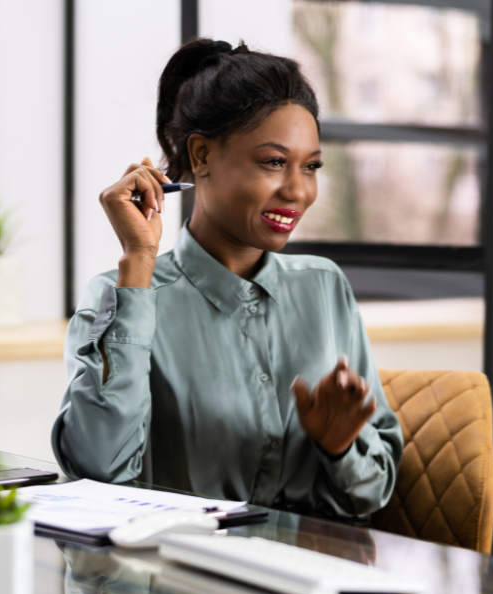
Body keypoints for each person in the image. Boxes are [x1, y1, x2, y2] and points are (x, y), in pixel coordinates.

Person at [51, 39, 402, 523]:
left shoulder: (324, 288)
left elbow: (373, 491)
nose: (298, 190)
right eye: (274, 162)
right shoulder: (121, 297)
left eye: (312, 166)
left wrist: (340, 446)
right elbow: (97, 476)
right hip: (175, 583)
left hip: (307, 581)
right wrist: (139, 259)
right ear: (201, 156)